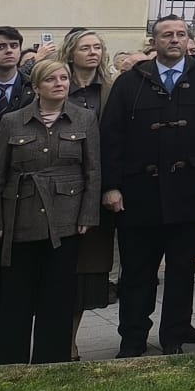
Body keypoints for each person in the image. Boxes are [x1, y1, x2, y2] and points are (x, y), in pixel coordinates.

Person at [98, 15, 195, 357]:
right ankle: (133, 337)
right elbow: (111, 137)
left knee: (182, 270)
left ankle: (174, 334)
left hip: (190, 191)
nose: (174, 39)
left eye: (181, 34)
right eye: (167, 35)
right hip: (138, 193)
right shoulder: (131, 82)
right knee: (136, 273)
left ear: (189, 41)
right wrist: (111, 186)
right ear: (154, 41)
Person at [0, 58, 98, 364]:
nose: (59, 83)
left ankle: (52, 360)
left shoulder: (84, 119)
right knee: (16, 296)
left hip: (65, 218)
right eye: (51, 79)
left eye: (63, 78)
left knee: (58, 295)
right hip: (19, 215)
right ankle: (10, 359)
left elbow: (92, 171)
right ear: (36, 87)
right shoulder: (12, 121)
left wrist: (88, 215)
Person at [57, 30, 119, 354]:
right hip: (58, 188)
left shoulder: (111, 89)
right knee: (56, 268)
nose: (92, 52)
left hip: (96, 189)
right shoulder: (56, 83)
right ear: (71, 52)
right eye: (85, 47)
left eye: (97, 47)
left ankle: (69, 342)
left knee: (84, 270)